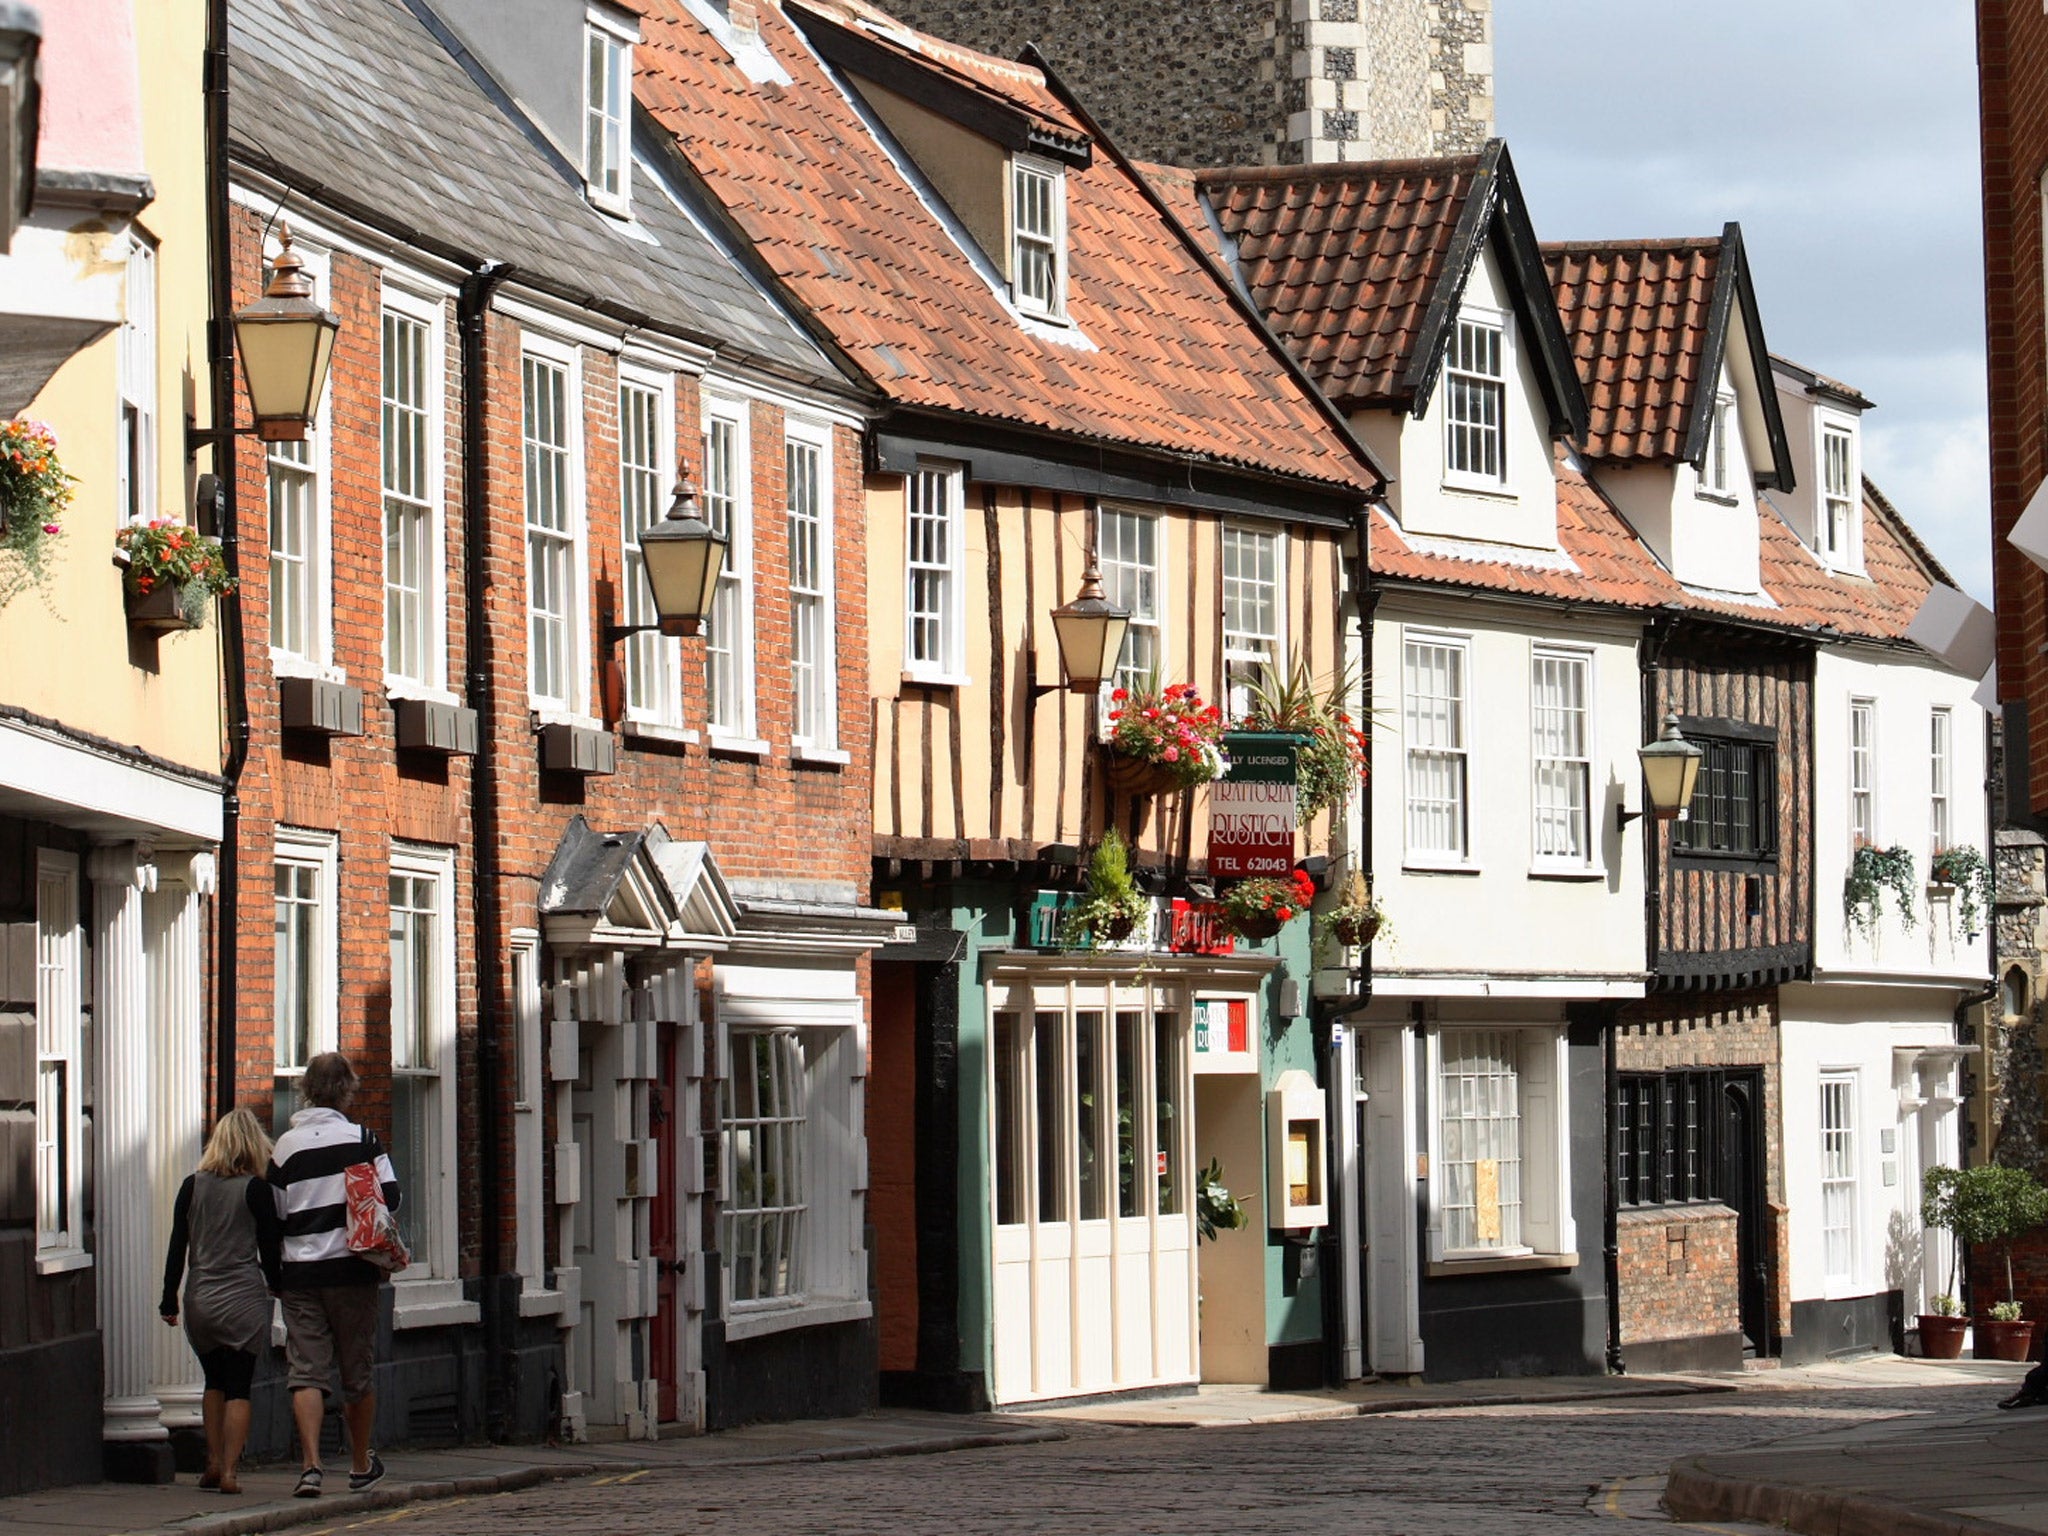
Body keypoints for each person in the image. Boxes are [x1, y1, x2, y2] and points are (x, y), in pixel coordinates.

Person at [270, 1052, 399, 1498]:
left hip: (300, 1275)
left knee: (306, 1371)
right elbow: (392, 1197)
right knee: (356, 1371)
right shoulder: (363, 1139)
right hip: (352, 1269)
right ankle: (361, 1464)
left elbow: (276, 1214)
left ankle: (311, 1467)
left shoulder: (284, 1146)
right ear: (346, 1089)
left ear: (306, 1089)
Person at [160, 1106, 282, 1495]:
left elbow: (177, 1246)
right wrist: (279, 1285)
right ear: (253, 1146)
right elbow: (269, 1247)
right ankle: (230, 1471)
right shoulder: (256, 1189)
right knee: (238, 1386)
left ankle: (211, 1462)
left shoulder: (190, 1186)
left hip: (201, 1296)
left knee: (213, 1379)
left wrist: (169, 1299)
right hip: (243, 1296)